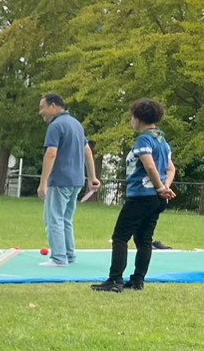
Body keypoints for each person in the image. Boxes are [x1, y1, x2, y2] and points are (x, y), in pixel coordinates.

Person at [93, 99, 176, 293]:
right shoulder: (162, 141)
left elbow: (149, 165)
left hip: (141, 196)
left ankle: (115, 280)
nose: (131, 120)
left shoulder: (144, 140)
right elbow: (171, 168)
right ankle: (138, 280)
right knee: (144, 240)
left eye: (132, 117)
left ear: (139, 118)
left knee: (120, 237)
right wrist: (164, 188)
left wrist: (158, 187)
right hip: (156, 199)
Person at [36, 94, 99, 269]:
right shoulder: (76, 124)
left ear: (53, 106)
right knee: (66, 219)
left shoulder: (55, 126)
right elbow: (87, 151)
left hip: (60, 180)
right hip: (76, 181)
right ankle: (69, 255)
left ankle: (58, 259)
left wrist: (43, 183)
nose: (40, 112)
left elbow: (51, 154)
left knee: (54, 218)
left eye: (43, 107)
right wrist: (92, 177)